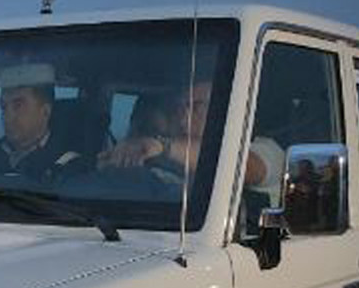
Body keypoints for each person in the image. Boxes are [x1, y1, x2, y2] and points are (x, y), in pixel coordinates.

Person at [97, 81, 284, 204]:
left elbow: (238, 167)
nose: (184, 116)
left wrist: (162, 146)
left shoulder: (266, 150)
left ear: (225, 109)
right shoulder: (165, 162)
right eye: (180, 107)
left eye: (197, 107)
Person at [0, 63, 86, 182]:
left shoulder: (68, 165)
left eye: (18, 106)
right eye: (4, 107)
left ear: (45, 112)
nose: (8, 117)